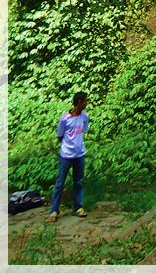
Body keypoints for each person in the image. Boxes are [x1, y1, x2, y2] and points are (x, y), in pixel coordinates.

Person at [48, 92, 89, 222]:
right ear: (79, 102)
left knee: (78, 181)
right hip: (66, 155)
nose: (86, 103)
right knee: (60, 183)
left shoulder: (85, 117)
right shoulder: (65, 119)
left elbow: (83, 131)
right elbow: (60, 136)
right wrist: (67, 146)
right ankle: (54, 210)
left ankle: (78, 207)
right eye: (84, 101)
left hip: (80, 154)